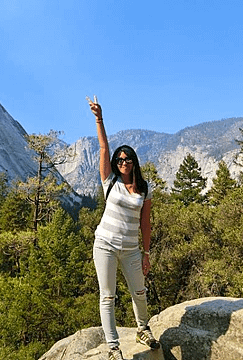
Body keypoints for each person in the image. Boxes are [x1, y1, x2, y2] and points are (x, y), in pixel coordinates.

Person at [87, 96, 160, 360]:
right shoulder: (110, 180)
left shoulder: (144, 187)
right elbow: (104, 148)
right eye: (120, 159)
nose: (123, 162)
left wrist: (147, 253)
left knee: (139, 292)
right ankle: (113, 347)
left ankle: (143, 329)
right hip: (104, 244)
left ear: (134, 161)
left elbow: (145, 222)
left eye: (127, 158)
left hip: (131, 249)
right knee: (108, 297)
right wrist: (99, 119)